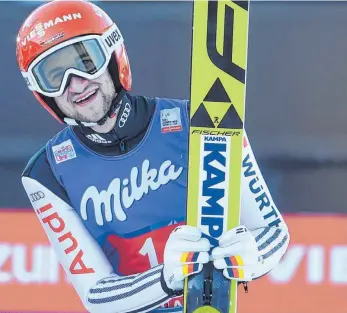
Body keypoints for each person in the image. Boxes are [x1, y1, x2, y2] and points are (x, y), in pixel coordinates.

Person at [17, 1, 290, 313]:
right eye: (54, 76)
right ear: (42, 92)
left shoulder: (198, 120)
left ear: (112, 54)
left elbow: (273, 232)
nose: (75, 83)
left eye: (85, 61)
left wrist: (253, 255)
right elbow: (95, 294)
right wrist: (165, 279)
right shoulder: (47, 172)